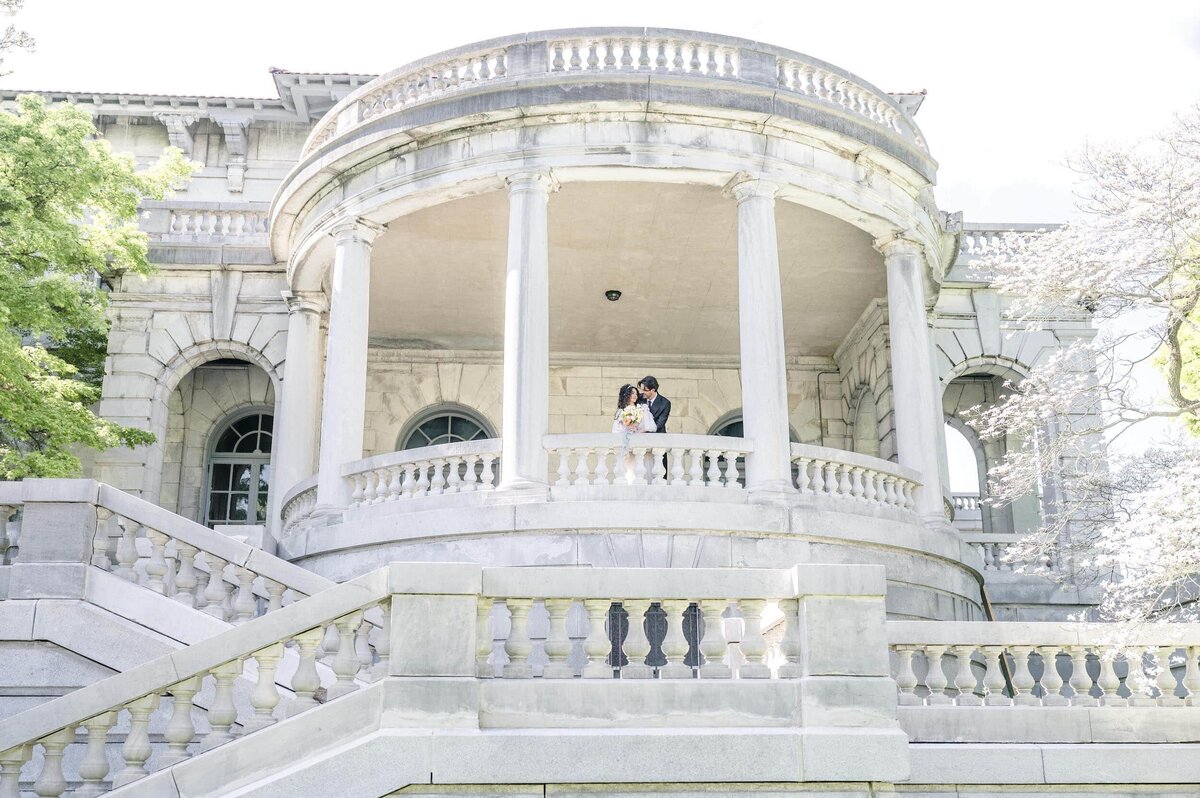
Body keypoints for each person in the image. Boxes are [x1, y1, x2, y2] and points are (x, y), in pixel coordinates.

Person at [613, 383, 655, 483]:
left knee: (641, 472)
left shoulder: (642, 409)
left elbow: (649, 426)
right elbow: (616, 431)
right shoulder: (620, 412)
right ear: (626, 395)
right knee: (628, 473)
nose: (635, 395)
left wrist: (638, 430)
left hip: (639, 444)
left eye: (636, 393)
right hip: (627, 445)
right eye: (632, 393)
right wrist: (628, 429)